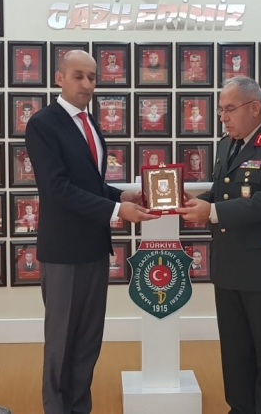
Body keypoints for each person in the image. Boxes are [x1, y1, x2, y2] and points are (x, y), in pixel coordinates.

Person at [24, 50, 157, 414]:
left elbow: (89, 183)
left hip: (95, 249)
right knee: (61, 344)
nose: (87, 84)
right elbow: (57, 188)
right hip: (64, 252)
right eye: (78, 76)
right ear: (59, 79)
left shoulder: (90, 123)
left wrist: (120, 195)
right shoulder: (43, 124)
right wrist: (116, 210)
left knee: (87, 342)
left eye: (92, 77)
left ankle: (79, 408)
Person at [176, 75, 261, 414]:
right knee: (235, 352)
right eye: (221, 110)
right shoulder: (226, 145)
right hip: (229, 265)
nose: (223, 117)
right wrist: (193, 202)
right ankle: (240, 408)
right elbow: (223, 193)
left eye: (229, 109)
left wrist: (211, 211)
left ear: (255, 108)